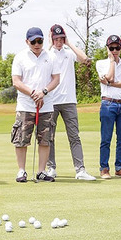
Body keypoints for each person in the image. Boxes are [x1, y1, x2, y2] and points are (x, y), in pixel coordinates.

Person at [45, 24, 96, 181]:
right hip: (51, 101)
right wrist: (49, 43)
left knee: (74, 136)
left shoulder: (69, 53)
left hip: (69, 101)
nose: (59, 41)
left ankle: (80, 170)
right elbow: (42, 62)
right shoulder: (47, 54)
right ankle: (51, 168)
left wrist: (69, 43)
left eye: (61, 38)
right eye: (56, 39)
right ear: (52, 38)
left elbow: (85, 59)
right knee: (49, 136)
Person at [11, 27, 61, 182]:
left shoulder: (51, 56)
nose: (37, 44)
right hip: (25, 106)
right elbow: (16, 81)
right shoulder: (20, 57)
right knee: (21, 139)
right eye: (33, 42)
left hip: (46, 104)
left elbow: (56, 79)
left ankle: (41, 171)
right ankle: (21, 171)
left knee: (45, 139)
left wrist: (43, 92)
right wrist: (33, 93)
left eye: (40, 41)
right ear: (27, 41)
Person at [96, 34, 121, 179]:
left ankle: (119, 168)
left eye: (117, 48)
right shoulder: (101, 63)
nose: (114, 51)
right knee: (106, 139)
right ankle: (104, 168)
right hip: (108, 104)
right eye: (111, 48)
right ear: (107, 48)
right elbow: (110, 76)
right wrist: (112, 61)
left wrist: (110, 84)